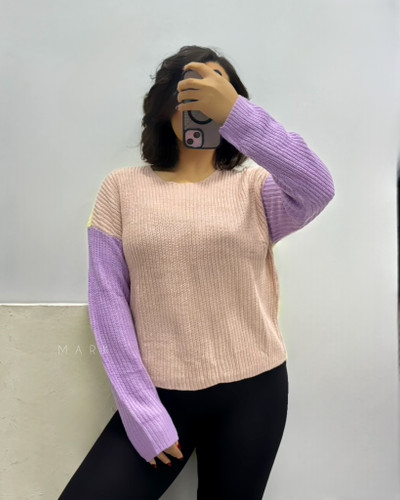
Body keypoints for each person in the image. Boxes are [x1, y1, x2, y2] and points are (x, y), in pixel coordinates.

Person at [58, 45, 335, 500]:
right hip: (160, 394)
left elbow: (318, 187)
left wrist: (239, 117)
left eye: (216, 94)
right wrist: (144, 415)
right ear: (166, 105)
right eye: (192, 94)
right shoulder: (121, 190)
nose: (203, 108)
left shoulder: (256, 190)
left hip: (255, 390)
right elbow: (108, 305)